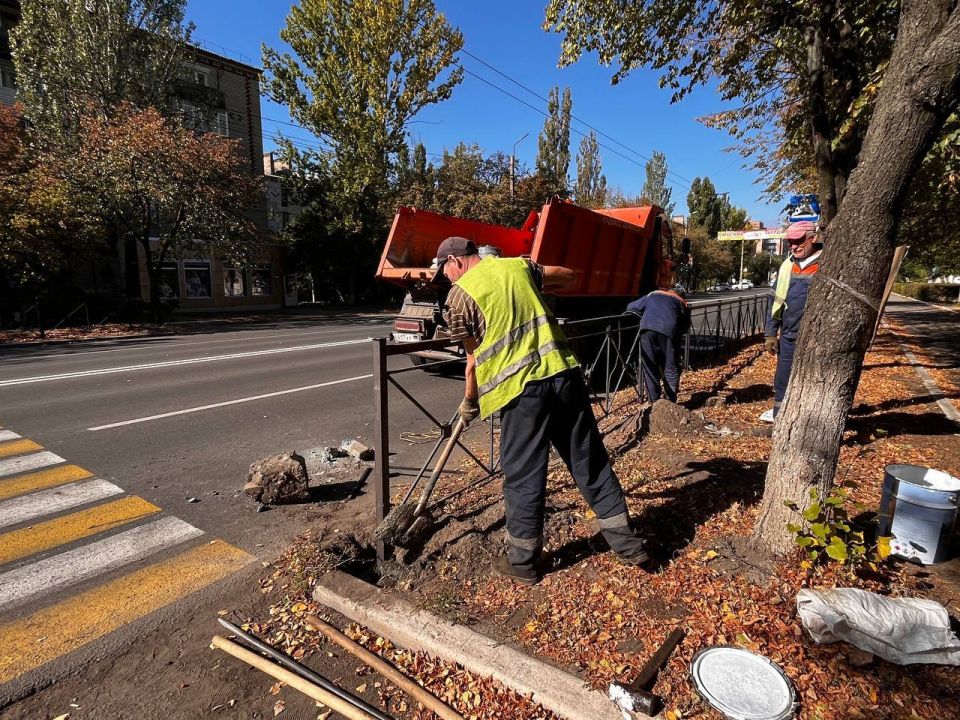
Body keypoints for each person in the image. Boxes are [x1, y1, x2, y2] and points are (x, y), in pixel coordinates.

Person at [438, 236, 651, 585]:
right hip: (563, 375)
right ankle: (629, 545)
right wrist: (535, 282)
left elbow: (473, 362)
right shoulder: (518, 266)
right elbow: (567, 275)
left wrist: (469, 402)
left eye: (445, 272)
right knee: (590, 462)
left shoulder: (459, 297)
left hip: (522, 394)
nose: (446, 279)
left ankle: (522, 563)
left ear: (455, 262)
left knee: (523, 476)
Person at [761, 221, 823, 422]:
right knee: (782, 381)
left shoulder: (826, 263)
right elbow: (775, 301)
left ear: (812, 238)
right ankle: (780, 421)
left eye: (798, 241)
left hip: (816, 338)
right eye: (790, 242)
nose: (794, 246)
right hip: (788, 337)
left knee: (813, 382)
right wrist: (771, 333)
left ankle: (808, 422)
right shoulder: (787, 266)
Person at [625, 286, 691, 403]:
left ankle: (654, 403)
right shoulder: (681, 302)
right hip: (669, 332)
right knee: (671, 366)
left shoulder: (653, 295)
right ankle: (670, 402)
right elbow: (685, 328)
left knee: (650, 367)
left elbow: (631, 307)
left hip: (647, 330)